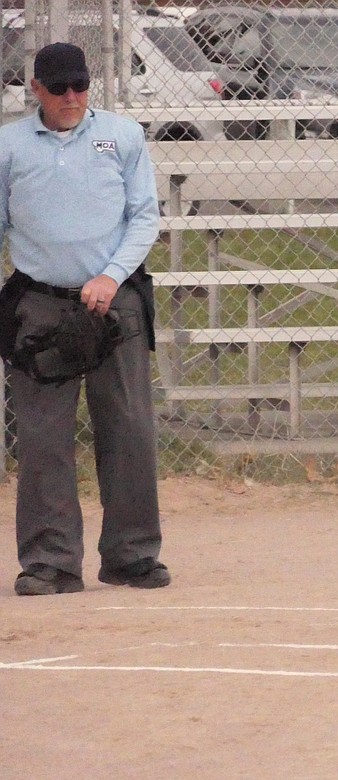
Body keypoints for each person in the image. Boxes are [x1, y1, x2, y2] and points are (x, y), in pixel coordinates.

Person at [0, 43, 168, 595]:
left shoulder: (122, 136)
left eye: (80, 87)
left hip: (112, 297)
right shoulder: (9, 146)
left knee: (128, 427)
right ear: (36, 87)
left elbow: (144, 217)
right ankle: (50, 561)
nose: (72, 98)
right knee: (44, 434)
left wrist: (112, 275)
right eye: (59, 88)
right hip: (40, 302)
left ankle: (132, 555)